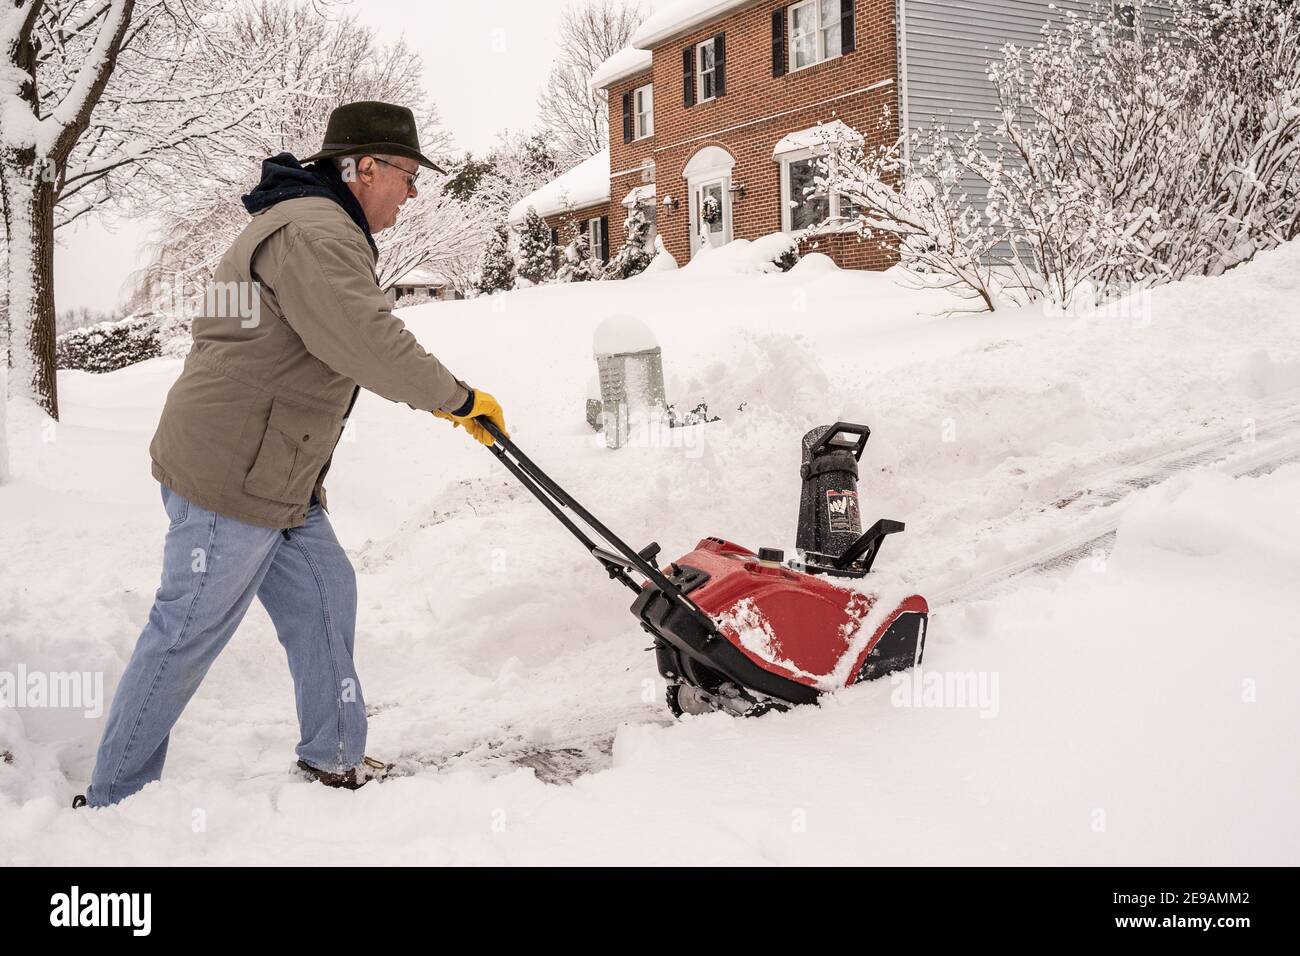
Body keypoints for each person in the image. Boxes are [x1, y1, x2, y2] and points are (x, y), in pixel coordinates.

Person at [75, 101, 505, 808]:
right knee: (185, 630)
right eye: (404, 173)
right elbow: (367, 341)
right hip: (233, 475)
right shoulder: (313, 232)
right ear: (362, 168)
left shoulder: (313, 223)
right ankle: (113, 798)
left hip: (278, 472)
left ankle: (332, 754)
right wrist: (457, 399)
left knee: (326, 593)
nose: (413, 190)